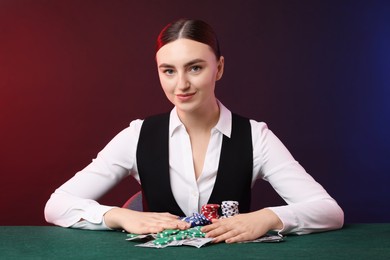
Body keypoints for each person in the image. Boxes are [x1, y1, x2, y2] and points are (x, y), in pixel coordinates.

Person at [44, 18, 344, 243]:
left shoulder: (255, 136)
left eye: (195, 68)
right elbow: (57, 205)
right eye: (169, 71)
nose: (181, 85)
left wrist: (269, 217)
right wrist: (120, 216)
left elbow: (329, 211)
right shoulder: (138, 135)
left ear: (220, 68)